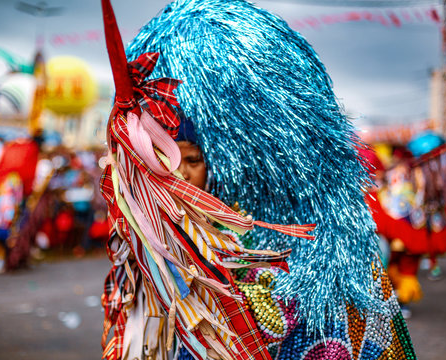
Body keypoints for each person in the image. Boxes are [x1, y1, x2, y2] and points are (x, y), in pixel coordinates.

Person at [98, 0, 416, 359]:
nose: (178, 171)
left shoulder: (323, 253)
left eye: (192, 158)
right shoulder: (150, 246)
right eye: (158, 155)